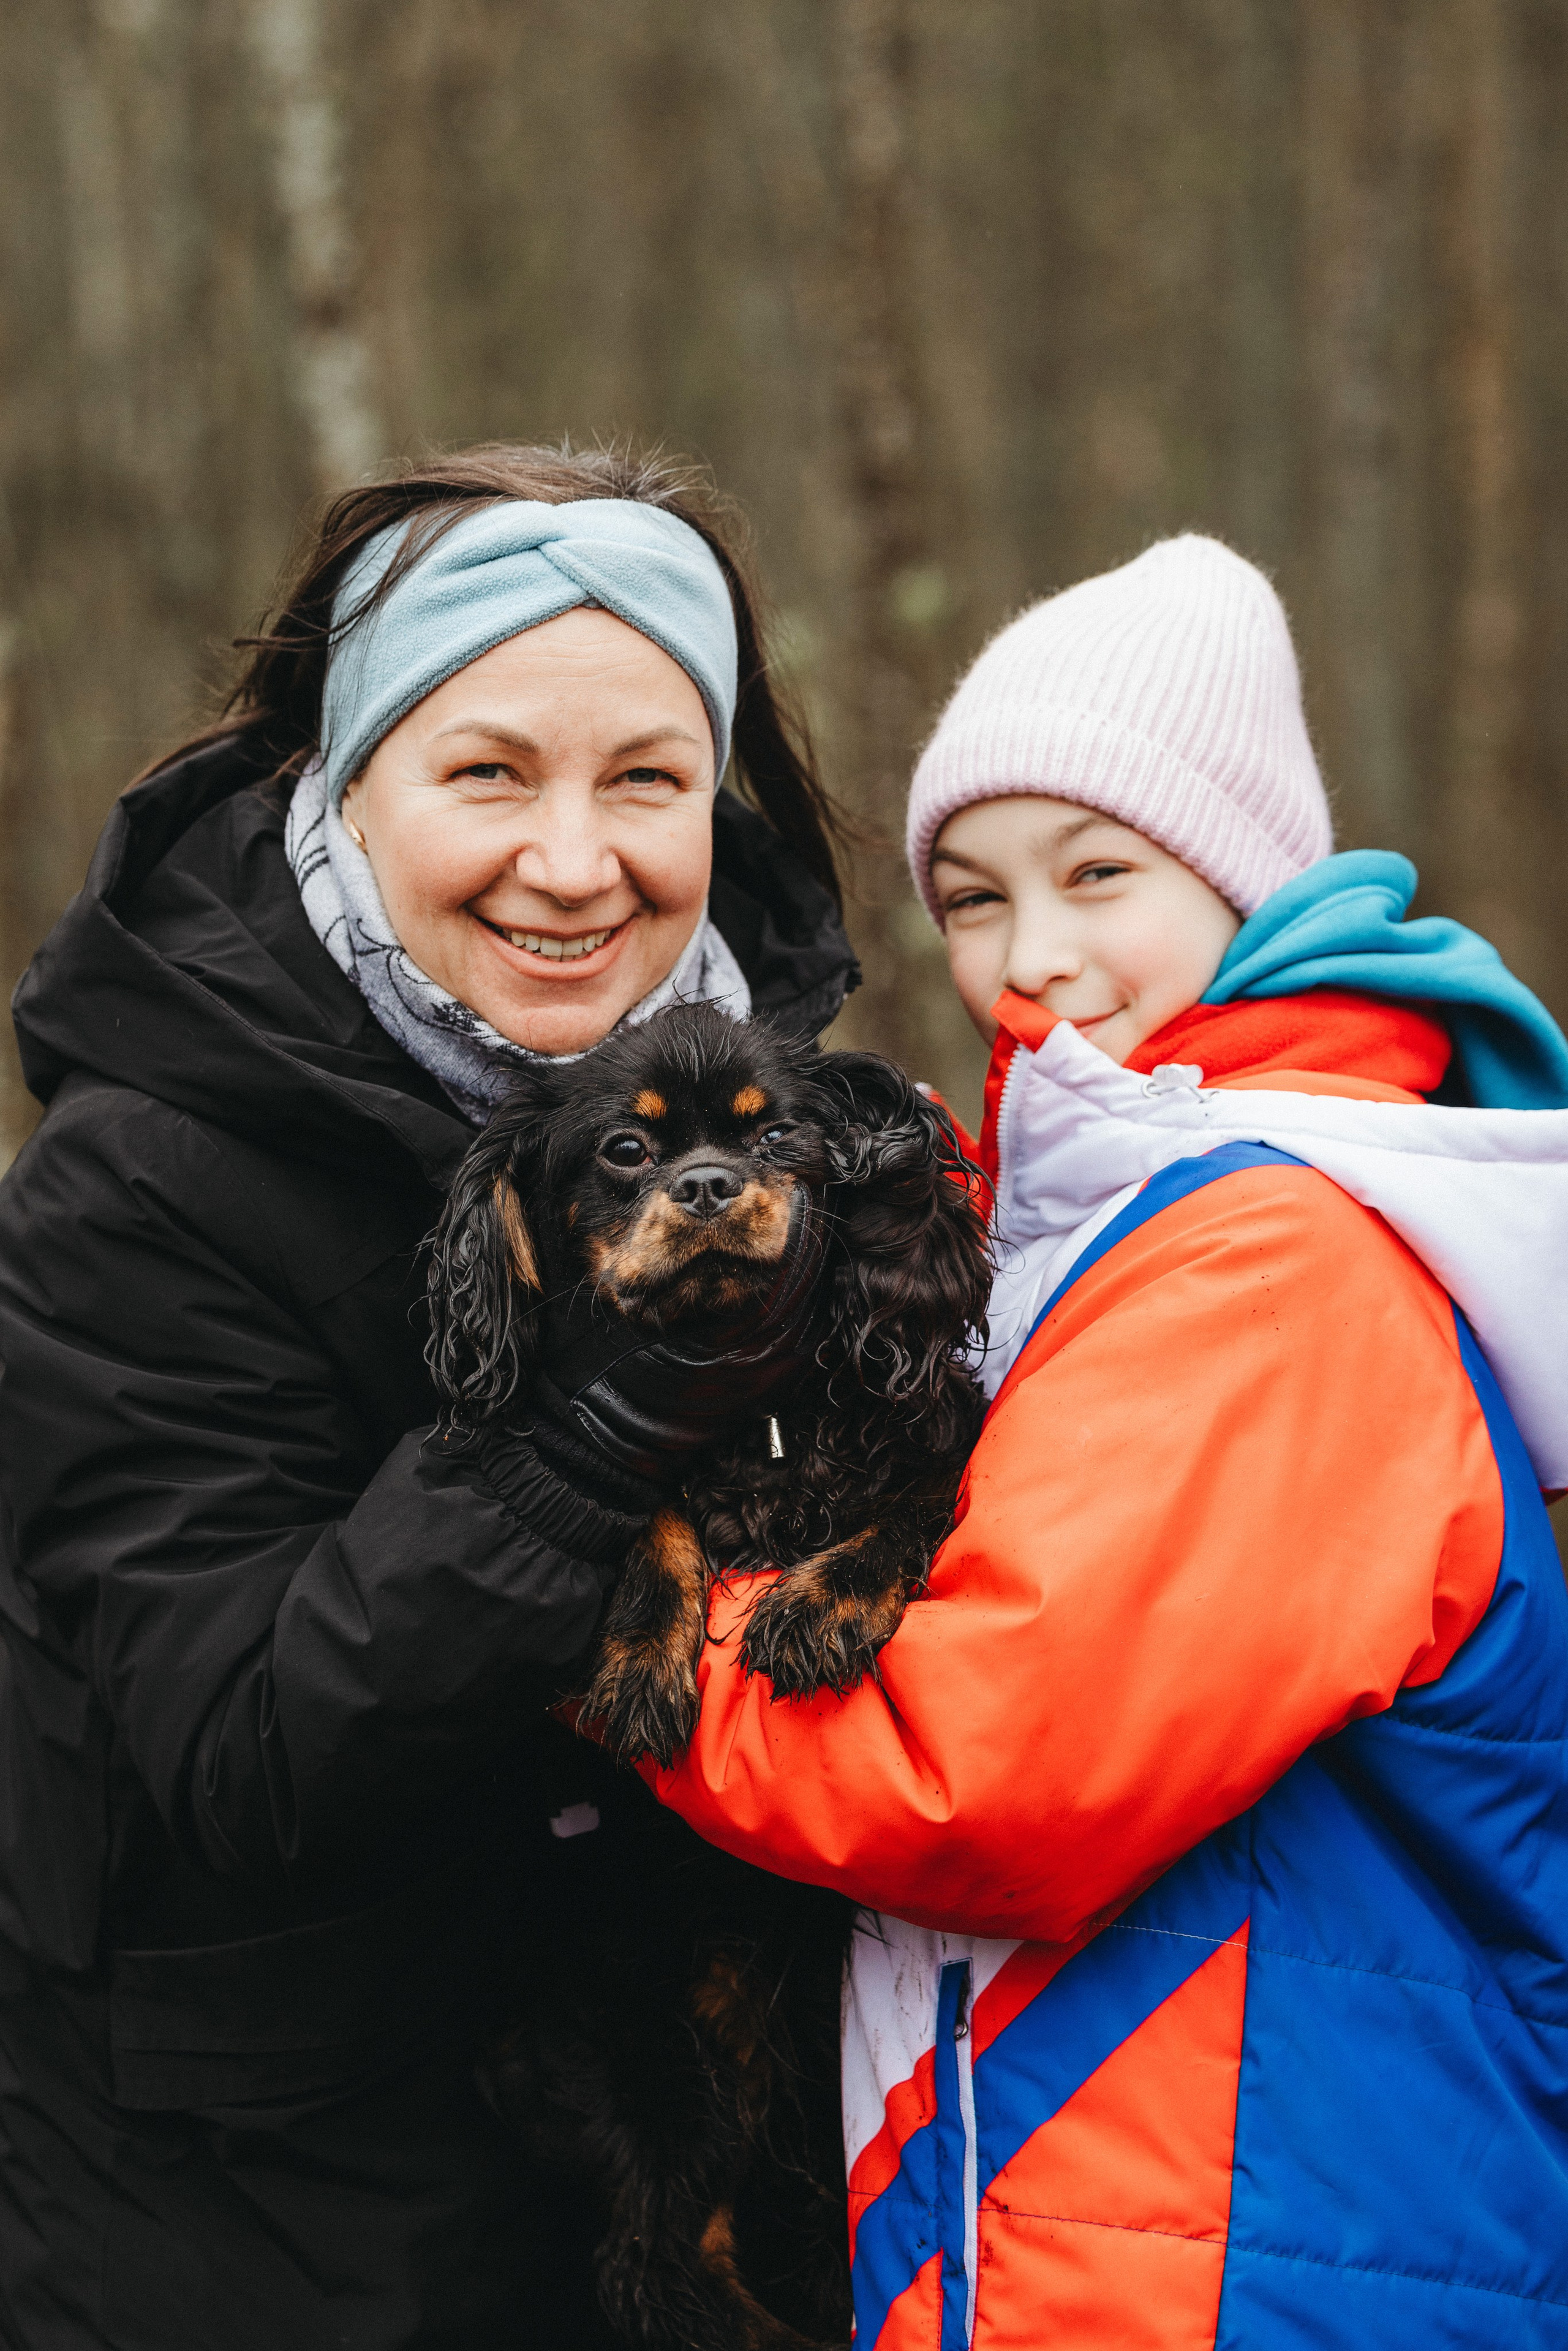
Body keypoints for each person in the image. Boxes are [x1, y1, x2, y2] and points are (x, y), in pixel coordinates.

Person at [649, 535, 1568, 2347]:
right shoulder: (1126, 1227)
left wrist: (610, 1629)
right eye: (975, 898)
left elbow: (981, 1764)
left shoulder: (1282, 1258)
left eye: (1100, 875)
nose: (1036, 959)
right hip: (1138, 2237)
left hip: (1261, 2254)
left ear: (1245, 883)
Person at [0, 442, 857, 2350]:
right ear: (345, 778)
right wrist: (592, 1433)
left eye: (646, 777)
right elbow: (242, 1747)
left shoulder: (766, 1131)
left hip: (696, 2211)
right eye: (488, 773)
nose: (575, 862)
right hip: (268, 2230)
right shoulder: (134, 1188)